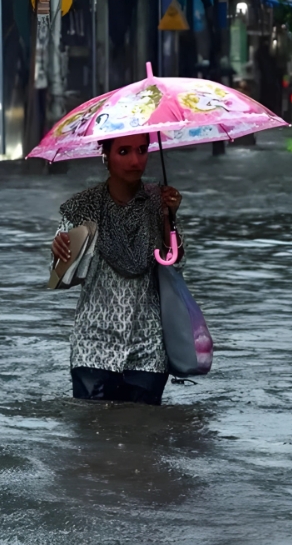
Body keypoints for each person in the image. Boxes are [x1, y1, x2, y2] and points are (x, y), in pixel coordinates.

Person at [50, 133, 183, 405]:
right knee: (93, 429)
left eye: (142, 150)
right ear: (106, 156)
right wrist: (59, 251)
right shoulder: (83, 207)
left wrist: (169, 218)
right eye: (124, 152)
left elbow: (176, 264)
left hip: (147, 349)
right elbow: (60, 277)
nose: (135, 160)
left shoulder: (159, 202)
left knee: (144, 429)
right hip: (93, 348)